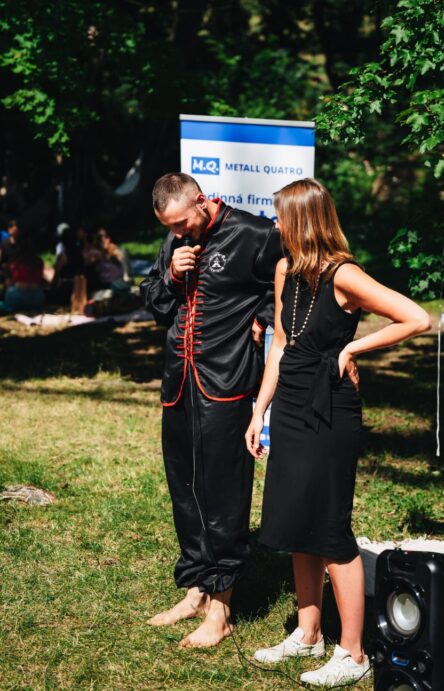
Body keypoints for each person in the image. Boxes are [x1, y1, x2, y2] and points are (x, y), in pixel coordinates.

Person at [245, 178, 430, 686]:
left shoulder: (345, 275)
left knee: (328, 526)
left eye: (281, 216)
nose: (275, 224)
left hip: (331, 408)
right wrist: (259, 411)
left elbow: (414, 318)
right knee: (295, 519)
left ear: (303, 220)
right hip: (290, 406)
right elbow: (280, 345)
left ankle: (353, 653)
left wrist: (352, 348)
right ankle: (308, 633)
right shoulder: (285, 269)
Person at [140, 172, 282, 648]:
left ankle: (221, 610)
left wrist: (262, 320)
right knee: (185, 488)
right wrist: (171, 274)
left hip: (226, 384)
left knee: (222, 493)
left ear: (202, 202)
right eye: (170, 228)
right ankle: (196, 590)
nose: (178, 233)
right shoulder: (175, 241)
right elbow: (155, 304)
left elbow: (285, 286)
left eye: (182, 224)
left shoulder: (255, 234)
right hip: (179, 383)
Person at [1, 232, 45, 313]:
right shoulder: (39, 261)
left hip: (17, 296)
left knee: (9, 291)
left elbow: (8, 283)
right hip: (37, 297)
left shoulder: (14, 261)